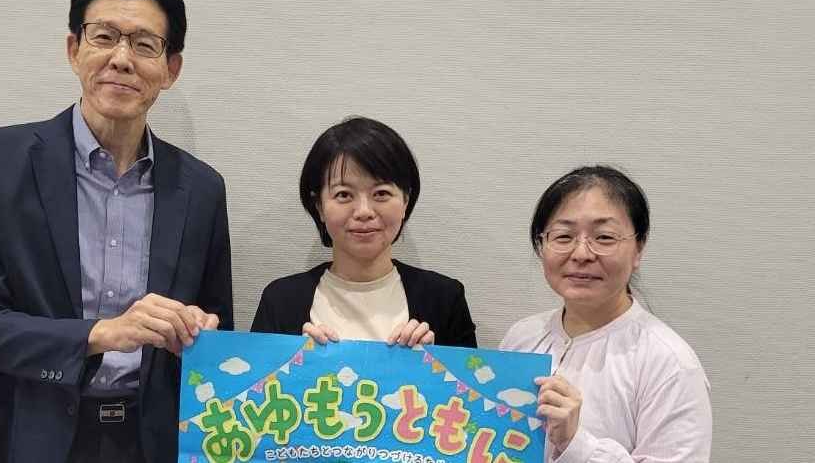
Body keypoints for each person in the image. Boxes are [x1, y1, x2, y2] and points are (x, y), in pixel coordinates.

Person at [0, 0, 233, 463]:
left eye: (144, 44)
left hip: (156, 442)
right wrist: (101, 334)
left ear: (171, 69)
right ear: (73, 49)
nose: (121, 59)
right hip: (30, 438)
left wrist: (197, 330)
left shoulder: (202, 189)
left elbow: (217, 330)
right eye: (104, 37)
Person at [500, 166, 712, 462]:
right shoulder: (522, 337)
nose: (581, 254)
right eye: (563, 236)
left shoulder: (670, 363)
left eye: (604, 237)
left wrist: (576, 444)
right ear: (542, 244)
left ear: (638, 248)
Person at [251, 117, 476, 347]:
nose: (364, 212)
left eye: (381, 193)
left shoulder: (445, 300)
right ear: (319, 206)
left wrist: (435, 360)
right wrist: (291, 360)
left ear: (405, 201)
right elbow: (254, 370)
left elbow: (473, 371)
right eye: (343, 195)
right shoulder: (280, 301)